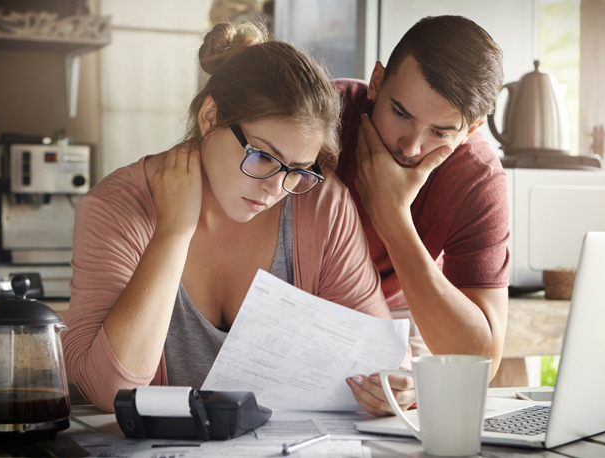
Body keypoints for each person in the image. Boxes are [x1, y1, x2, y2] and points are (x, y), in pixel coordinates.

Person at [62, 22, 412, 414]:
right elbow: (110, 390)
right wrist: (174, 232)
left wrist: (397, 386)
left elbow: (381, 359)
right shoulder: (115, 208)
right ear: (210, 117)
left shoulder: (322, 204)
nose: (275, 188)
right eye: (262, 156)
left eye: (297, 169)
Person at [337, 16, 510, 413]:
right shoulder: (321, 116)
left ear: (472, 128)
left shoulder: (477, 178)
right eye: (400, 113)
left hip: (402, 309)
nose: (412, 147)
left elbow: (480, 363)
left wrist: (394, 221)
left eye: (441, 132)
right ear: (377, 81)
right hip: (296, 294)